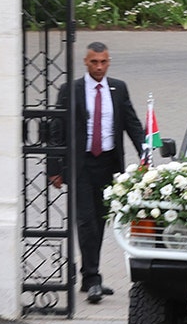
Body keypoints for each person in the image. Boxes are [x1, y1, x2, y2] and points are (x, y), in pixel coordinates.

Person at [49, 42, 145, 304]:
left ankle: (88, 275)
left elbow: (132, 123)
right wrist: (54, 168)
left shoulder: (118, 88)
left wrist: (145, 153)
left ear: (109, 61)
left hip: (108, 164)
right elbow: (56, 128)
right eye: (94, 62)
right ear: (86, 62)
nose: (99, 67)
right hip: (81, 165)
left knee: (100, 222)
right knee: (86, 221)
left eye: (103, 62)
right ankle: (93, 279)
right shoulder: (71, 90)